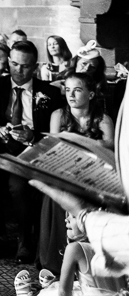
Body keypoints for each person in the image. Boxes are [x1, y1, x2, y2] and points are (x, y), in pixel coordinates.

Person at [20, 99, 129, 296]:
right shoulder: (100, 247)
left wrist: (84, 214)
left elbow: (64, 293)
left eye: (70, 216)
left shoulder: (75, 248)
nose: (66, 220)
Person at [0, 39, 65, 261]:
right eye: (15, 64)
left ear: (35, 66)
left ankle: (25, 240)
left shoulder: (50, 93)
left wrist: (31, 136)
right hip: (1, 150)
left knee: (18, 186)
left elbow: (54, 134)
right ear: (8, 61)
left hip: (32, 153)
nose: (19, 70)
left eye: (26, 66)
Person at [37, 73, 115, 275]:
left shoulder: (103, 119)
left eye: (77, 90)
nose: (71, 94)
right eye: (68, 89)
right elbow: (52, 147)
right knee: (55, 190)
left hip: (94, 174)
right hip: (64, 171)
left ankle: (90, 259)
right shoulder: (58, 115)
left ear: (90, 95)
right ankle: (56, 259)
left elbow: (110, 150)